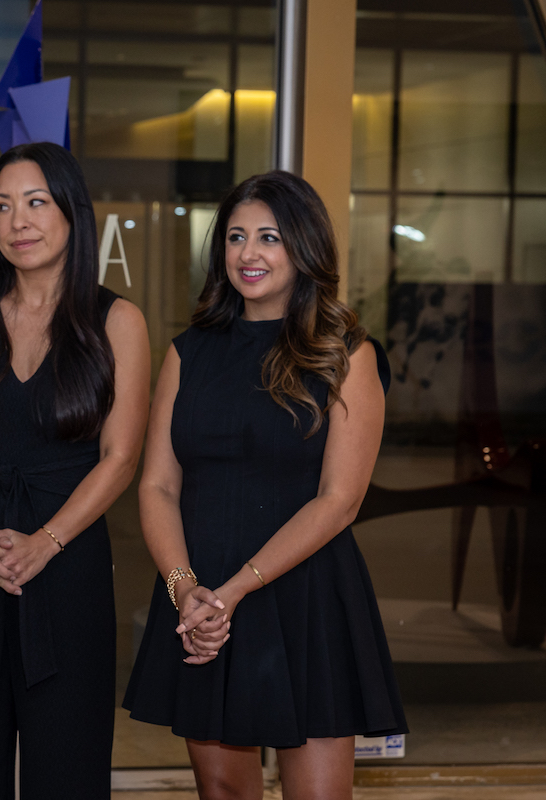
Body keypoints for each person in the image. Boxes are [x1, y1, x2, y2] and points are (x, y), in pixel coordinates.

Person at [123, 171, 407, 800]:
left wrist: (232, 592)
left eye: (269, 237)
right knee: (222, 791)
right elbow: (157, 488)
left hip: (305, 592)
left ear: (304, 247)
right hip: (201, 599)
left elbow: (340, 501)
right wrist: (187, 590)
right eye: (235, 237)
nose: (248, 254)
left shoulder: (346, 354)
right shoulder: (187, 353)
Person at [0, 142, 151, 798]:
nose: (18, 220)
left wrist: (44, 544)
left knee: (66, 766)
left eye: (37, 202)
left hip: (68, 563)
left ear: (73, 212)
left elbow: (121, 457)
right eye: (3, 206)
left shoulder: (117, 321)